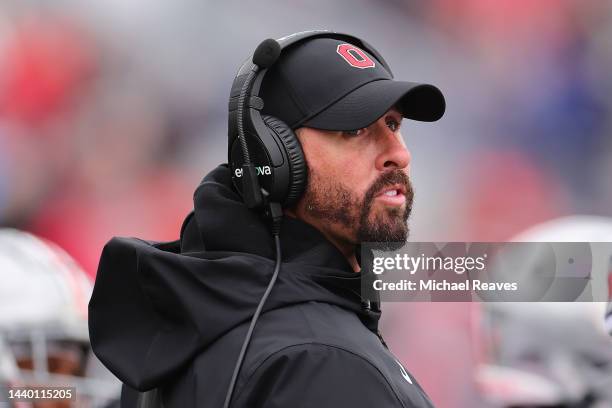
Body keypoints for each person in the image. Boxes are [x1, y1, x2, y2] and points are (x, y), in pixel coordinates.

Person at [89, 31, 445, 407]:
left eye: (393, 125)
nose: (399, 154)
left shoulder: (186, 321)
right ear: (274, 160)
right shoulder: (323, 364)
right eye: (355, 129)